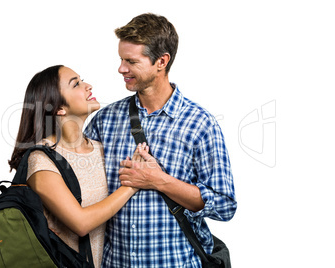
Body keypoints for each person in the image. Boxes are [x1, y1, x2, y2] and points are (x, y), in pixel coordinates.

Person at [84, 13, 237, 267]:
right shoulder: (105, 120)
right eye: (121, 59)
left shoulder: (200, 124)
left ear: (161, 61)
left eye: (131, 61)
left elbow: (224, 205)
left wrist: (160, 181)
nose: (121, 69)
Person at [8, 65, 148, 268]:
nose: (88, 86)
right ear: (59, 108)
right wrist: (132, 185)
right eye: (76, 84)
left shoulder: (100, 149)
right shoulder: (41, 159)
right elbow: (81, 223)